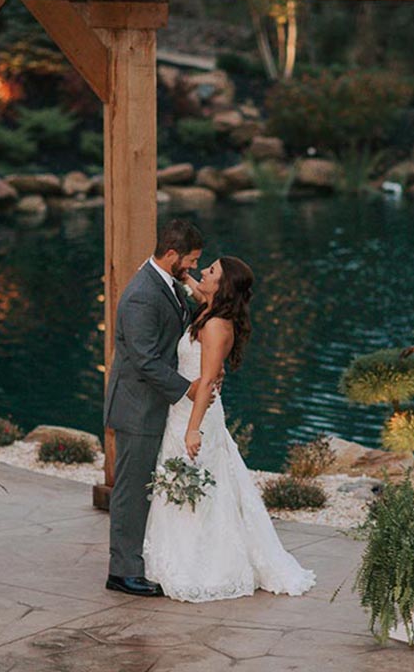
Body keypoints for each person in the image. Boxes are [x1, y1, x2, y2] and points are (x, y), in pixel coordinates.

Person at [142, 256, 316, 602]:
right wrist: (183, 274)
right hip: (184, 410)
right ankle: (172, 558)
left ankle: (203, 564)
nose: (204, 271)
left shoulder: (216, 325)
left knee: (200, 485)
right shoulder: (208, 309)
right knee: (187, 482)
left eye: (211, 271)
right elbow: (194, 290)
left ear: (222, 286)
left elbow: (206, 383)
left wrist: (193, 431)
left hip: (197, 414)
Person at [103, 218, 213, 597]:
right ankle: (122, 571)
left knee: (144, 487)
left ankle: (139, 559)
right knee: (131, 491)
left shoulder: (165, 282)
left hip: (153, 405)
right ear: (171, 254)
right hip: (137, 408)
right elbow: (145, 359)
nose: (194, 268)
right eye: (191, 261)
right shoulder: (140, 296)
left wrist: (195, 290)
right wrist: (189, 389)